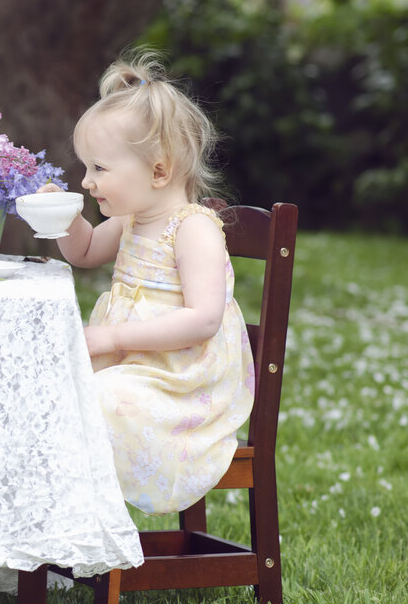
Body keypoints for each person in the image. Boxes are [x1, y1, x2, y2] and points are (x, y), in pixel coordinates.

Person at [42, 50, 255, 516]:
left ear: (159, 171)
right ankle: (56, 533)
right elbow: (83, 252)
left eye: (99, 169)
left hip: (179, 386)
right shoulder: (132, 220)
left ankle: (89, 537)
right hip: (129, 370)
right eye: (85, 168)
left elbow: (203, 319)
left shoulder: (193, 228)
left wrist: (113, 335)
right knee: (46, 392)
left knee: (97, 401)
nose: (87, 181)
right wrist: (64, 218)